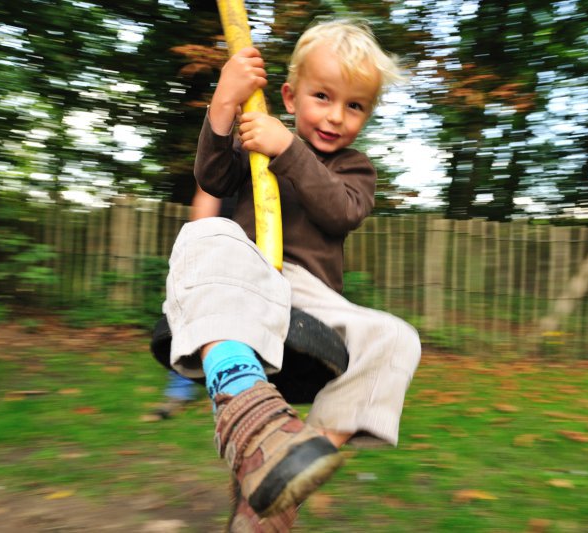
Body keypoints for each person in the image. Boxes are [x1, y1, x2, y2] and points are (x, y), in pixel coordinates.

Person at [163, 19, 422, 531]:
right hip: (246, 281)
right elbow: (212, 177)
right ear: (289, 94)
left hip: (311, 298)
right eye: (322, 96)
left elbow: (339, 211)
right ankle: (255, 423)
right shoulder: (255, 137)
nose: (336, 117)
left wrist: (287, 150)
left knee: (398, 339)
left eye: (355, 106)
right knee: (202, 236)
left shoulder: (354, 168)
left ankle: (298, 459)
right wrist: (223, 107)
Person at [146, 187, 222, 421]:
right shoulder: (225, 161)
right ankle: (181, 391)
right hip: (216, 246)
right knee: (193, 317)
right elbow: (206, 199)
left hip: (252, 247)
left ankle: (228, 396)